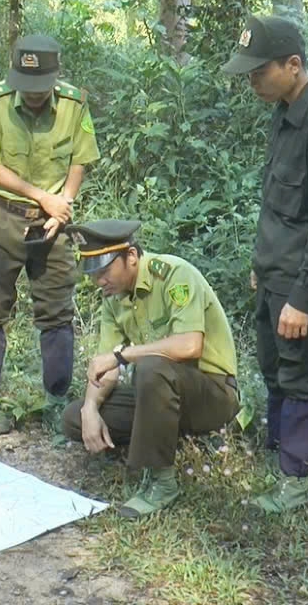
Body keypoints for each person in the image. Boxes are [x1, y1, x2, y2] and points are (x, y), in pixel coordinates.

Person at [222, 15, 308, 513]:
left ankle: (297, 478)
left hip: (300, 283)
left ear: (294, 65)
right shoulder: (285, 110)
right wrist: (263, 264)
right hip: (274, 274)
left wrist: (304, 296)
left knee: (301, 376)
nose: (252, 80)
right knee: (275, 367)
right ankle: (279, 453)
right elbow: (278, 204)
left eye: (260, 72)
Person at [60, 220, 240, 518]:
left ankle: (161, 480)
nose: (99, 281)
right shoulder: (114, 299)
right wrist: (90, 408)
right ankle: (169, 437)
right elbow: (104, 367)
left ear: (131, 256)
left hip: (213, 393)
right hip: (162, 393)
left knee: (151, 368)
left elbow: (189, 346)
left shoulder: (173, 275)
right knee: (74, 417)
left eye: (104, 271)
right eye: (92, 274)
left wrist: (124, 356)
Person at [0, 35, 101, 434]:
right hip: (3, 216)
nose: (32, 97)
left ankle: (57, 400)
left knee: (57, 310)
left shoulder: (74, 103)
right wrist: (41, 195)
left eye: (39, 90)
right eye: (25, 89)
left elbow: (81, 158)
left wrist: (64, 202)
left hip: (53, 223)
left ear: (54, 79)